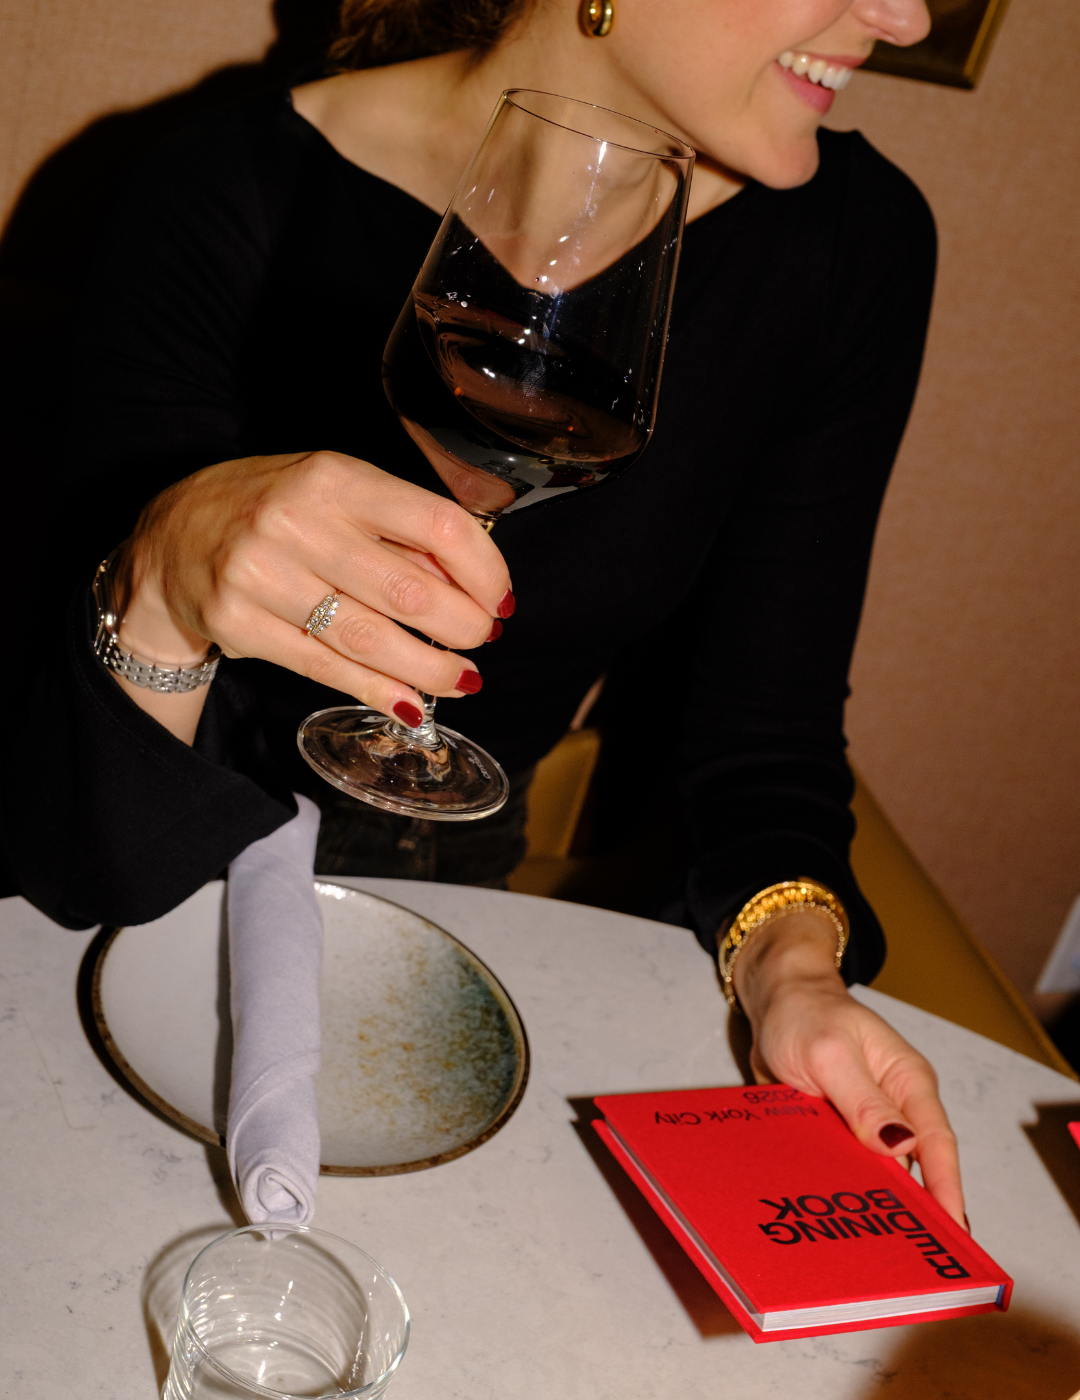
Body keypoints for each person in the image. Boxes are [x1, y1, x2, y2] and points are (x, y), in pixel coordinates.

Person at [0, 0, 967, 1225]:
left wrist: (793, 968)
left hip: (455, 905)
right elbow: (76, 859)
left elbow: (761, 737)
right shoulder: (224, 188)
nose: (904, 16)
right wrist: (164, 584)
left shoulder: (848, 244)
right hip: (136, 908)